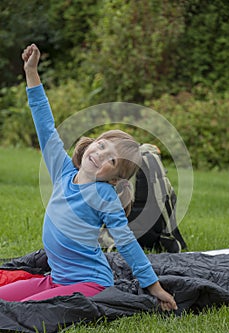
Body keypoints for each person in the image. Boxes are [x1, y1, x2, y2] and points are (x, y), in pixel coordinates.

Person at [0, 44, 177, 312]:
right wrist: (31, 72)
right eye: (103, 146)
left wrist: (154, 287)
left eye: (113, 161)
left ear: (116, 179)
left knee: (21, 311)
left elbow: (127, 244)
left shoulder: (104, 196)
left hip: (89, 284)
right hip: (55, 280)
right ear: (94, 142)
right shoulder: (62, 170)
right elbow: (45, 124)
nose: (101, 155)